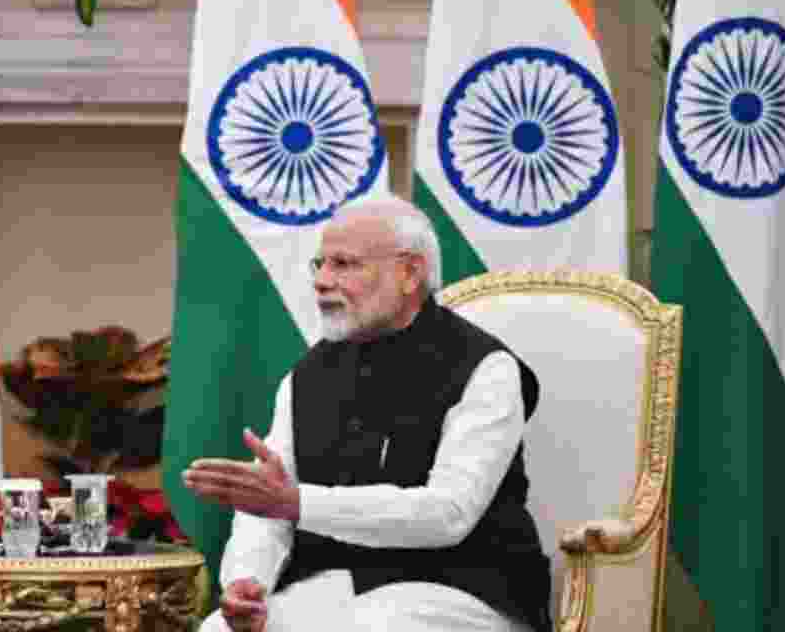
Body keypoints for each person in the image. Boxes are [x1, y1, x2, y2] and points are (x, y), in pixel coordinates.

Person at [182, 195, 550, 632]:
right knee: (219, 629)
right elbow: (267, 502)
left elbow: (449, 513)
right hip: (336, 587)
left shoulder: (485, 368)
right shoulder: (308, 374)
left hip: (461, 590)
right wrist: (248, 580)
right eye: (319, 264)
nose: (322, 281)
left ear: (409, 273)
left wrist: (297, 502)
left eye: (344, 264)